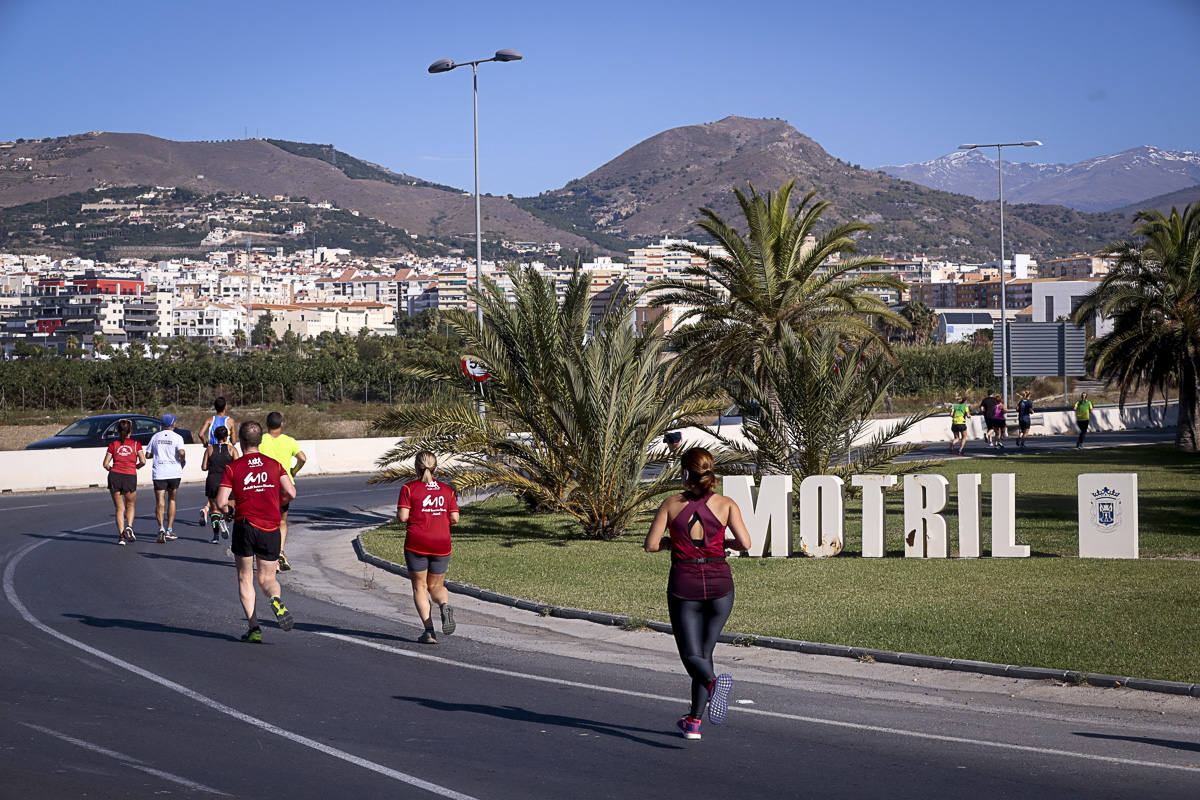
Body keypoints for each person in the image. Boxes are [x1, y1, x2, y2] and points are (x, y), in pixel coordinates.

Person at [644, 447, 752, 741]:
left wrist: (672, 543)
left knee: (691, 655)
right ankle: (693, 721)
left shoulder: (671, 504)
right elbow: (745, 543)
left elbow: (651, 545)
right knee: (704, 653)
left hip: (685, 586)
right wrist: (721, 542)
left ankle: (714, 683)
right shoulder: (726, 504)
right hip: (721, 587)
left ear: (684, 473)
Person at [217, 420, 297, 643]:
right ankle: (275, 599)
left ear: (241, 441)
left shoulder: (234, 467)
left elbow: (222, 500)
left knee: (245, 577)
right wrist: (278, 502)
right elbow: (291, 492)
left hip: (245, 525)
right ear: (260, 441)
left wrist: (228, 509)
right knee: (267, 578)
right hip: (271, 527)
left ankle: (254, 628)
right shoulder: (273, 464)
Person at [396, 451, 460, 644]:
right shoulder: (447, 490)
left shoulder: (408, 488)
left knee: (420, 587)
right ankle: (444, 605)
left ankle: (429, 632)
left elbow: (403, 517)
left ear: (416, 468)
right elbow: (455, 518)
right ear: (436, 468)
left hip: (417, 543)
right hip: (441, 542)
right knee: (437, 586)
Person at [257, 411, 306, 571]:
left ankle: (269, 555)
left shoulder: (261, 440)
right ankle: (279, 551)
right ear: (282, 424)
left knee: (264, 521)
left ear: (267, 424)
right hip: (284, 486)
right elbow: (303, 458)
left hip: (264, 485)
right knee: (282, 521)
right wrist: (294, 470)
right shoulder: (289, 441)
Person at [102, 418, 146, 545]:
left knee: (119, 508)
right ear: (130, 431)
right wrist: (135, 467)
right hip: (130, 476)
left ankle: (121, 536)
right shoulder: (135, 444)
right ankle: (129, 527)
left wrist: (113, 470)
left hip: (115, 476)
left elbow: (105, 464)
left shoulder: (113, 445)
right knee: (130, 505)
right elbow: (143, 461)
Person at [147, 414, 187, 543]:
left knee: (160, 501)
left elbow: (148, 454)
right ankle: (169, 529)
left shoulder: (155, 436)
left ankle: (161, 528)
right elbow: (181, 452)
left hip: (159, 472)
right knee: (172, 500)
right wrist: (183, 460)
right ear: (173, 424)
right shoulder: (177, 437)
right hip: (174, 472)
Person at [198, 398, 235, 525]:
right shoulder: (229, 421)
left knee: (214, 487)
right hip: (226, 453)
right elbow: (234, 440)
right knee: (227, 489)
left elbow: (200, 433)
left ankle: (207, 509)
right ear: (225, 407)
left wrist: (205, 442)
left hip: (212, 454)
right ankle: (225, 516)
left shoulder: (210, 420)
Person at [200, 425, 239, 543]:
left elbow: (204, 467)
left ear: (215, 436)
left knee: (214, 510)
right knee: (230, 507)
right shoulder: (232, 449)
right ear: (227, 436)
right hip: (227, 481)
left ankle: (215, 537)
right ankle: (225, 520)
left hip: (212, 480)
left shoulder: (210, 449)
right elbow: (238, 467)